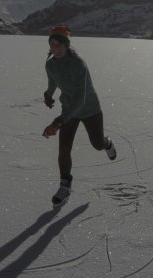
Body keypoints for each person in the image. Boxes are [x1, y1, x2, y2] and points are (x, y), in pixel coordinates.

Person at [41, 24, 116, 206]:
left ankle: (107, 143)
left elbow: (81, 99)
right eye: (52, 45)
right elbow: (53, 81)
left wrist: (59, 120)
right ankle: (65, 185)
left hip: (90, 109)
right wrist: (48, 94)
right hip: (69, 110)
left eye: (59, 45)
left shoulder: (78, 65)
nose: (55, 48)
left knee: (97, 144)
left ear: (66, 45)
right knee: (64, 149)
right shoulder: (50, 63)